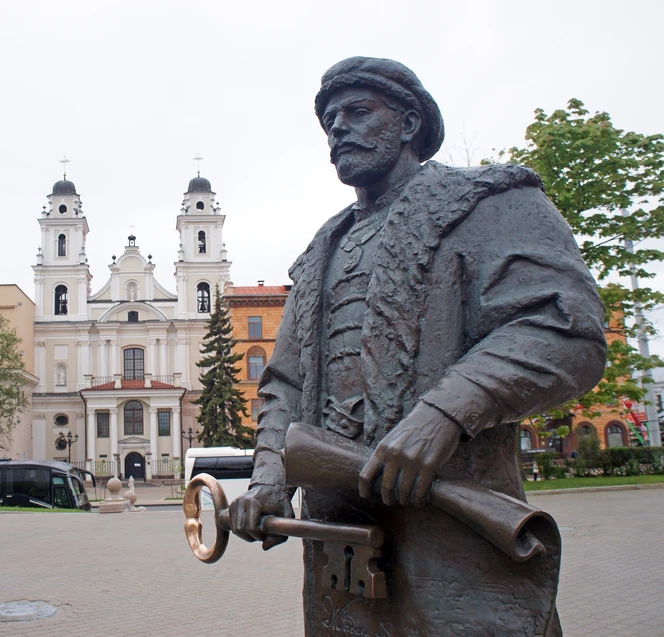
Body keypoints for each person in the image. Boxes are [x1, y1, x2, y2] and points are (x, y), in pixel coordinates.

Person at [227, 57, 606, 636]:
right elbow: (286, 382)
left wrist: (447, 410)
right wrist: (269, 478)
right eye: (330, 121)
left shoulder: (492, 203)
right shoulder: (322, 251)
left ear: (408, 125)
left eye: (358, 112)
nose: (339, 130)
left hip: (452, 534)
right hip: (339, 545)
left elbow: (564, 325)